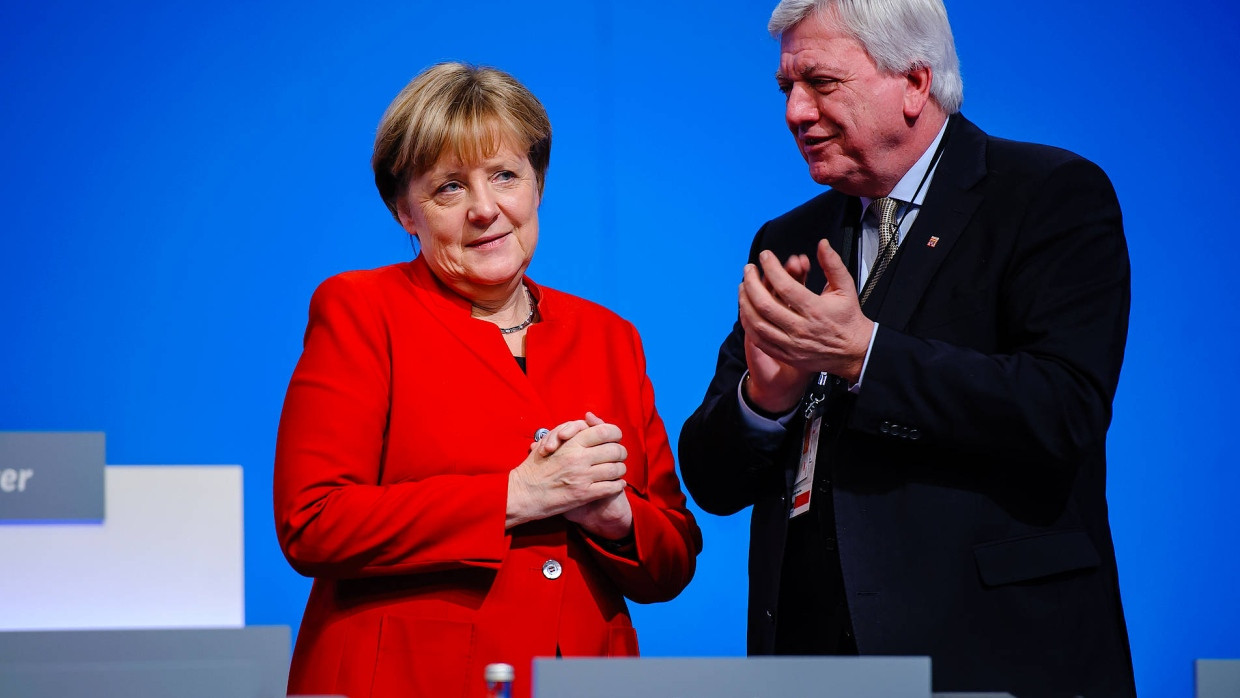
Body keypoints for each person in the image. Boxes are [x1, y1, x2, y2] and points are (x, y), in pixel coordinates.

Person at [678, 0, 1135, 695]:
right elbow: (712, 482)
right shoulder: (787, 239)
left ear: (916, 83)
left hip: (993, 652)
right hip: (812, 658)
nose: (796, 113)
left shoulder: (1046, 195)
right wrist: (764, 401)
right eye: (786, 90)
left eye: (822, 84)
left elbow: (1062, 407)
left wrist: (868, 355)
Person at [274, 62, 701, 698]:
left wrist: (615, 516)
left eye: (505, 175)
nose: (484, 209)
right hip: (410, 680)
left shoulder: (609, 336)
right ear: (405, 211)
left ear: (538, 185)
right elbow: (313, 520)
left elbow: (673, 553)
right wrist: (516, 496)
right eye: (449, 187)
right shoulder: (361, 309)